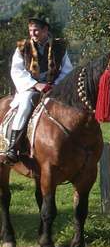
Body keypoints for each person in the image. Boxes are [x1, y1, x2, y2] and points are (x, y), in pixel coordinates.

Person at [2, 15, 73, 164]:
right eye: (30, 31)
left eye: (36, 31)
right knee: (27, 101)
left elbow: (67, 70)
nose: (32, 34)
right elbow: (17, 71)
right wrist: (35, 85)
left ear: (45, 30)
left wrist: (56, 86)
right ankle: (13, 147)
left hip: (54, 88)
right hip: (29, 88)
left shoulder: (60, 47)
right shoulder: (22, 47)